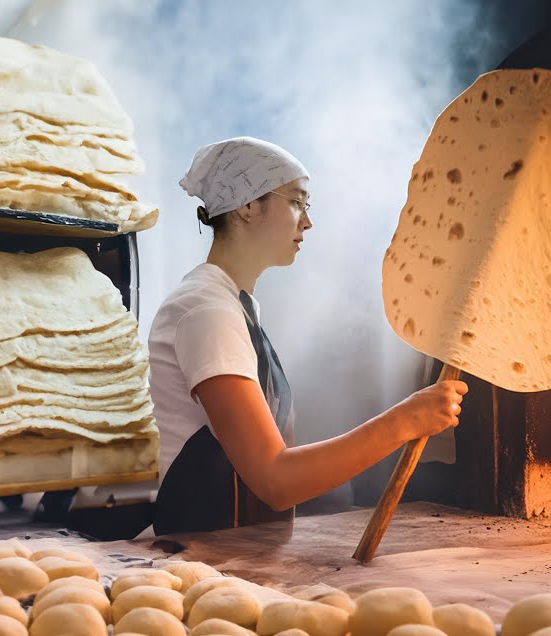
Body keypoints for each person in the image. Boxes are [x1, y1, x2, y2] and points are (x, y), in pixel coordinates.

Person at [147, 137, 467, 535]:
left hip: (232, 550)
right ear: (247, 206)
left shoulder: (235, 305)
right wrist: (405, 420)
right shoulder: (207, 312)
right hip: (199, 554)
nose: (308, 222)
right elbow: (275, 480)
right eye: (297, 202)